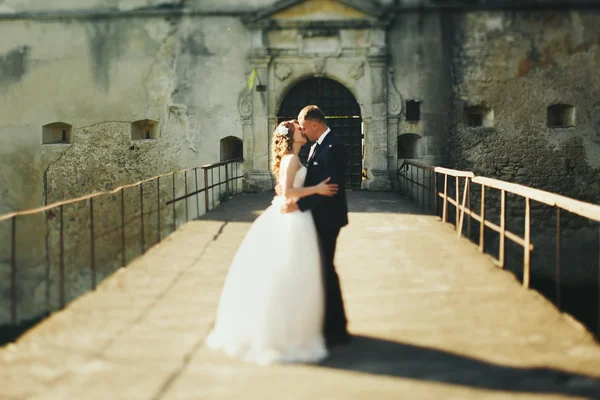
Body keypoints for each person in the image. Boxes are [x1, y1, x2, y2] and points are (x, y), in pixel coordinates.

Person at [205, 120, 337, 365]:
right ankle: (282, 333)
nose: (303, 130)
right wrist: (317, 189)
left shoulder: (296, 157)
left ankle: (294, 329)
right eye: (299, 128)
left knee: (296, 274)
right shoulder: (290, 159)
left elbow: (284, 189)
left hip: (296, 216)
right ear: (291, 135)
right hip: (291, 218)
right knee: (288, 273)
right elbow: (287, 191)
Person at [281, 105, 351, 347]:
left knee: (326, 270)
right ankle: (326, 324)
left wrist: (300, 205)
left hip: (328, 218)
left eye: (303, 126)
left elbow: (330, 189)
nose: (302, 130)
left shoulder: (334, 147)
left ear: (314, 125)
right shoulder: (316, 146)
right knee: (320, 270)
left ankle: (337, 328)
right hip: (316, 217)